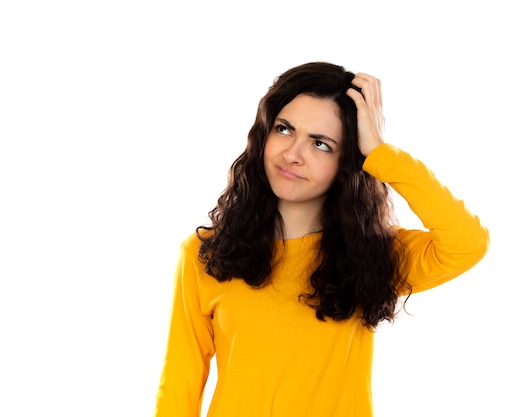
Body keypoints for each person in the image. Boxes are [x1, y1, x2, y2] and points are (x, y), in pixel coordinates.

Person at [153, 62, 489, 417]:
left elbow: (467, 242)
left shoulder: (374, 254)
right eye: (284, 129)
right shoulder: (205, 254)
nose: (292, 154)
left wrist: (380, 153)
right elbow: (180, 385)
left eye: (320, 143)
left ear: (348, 159)